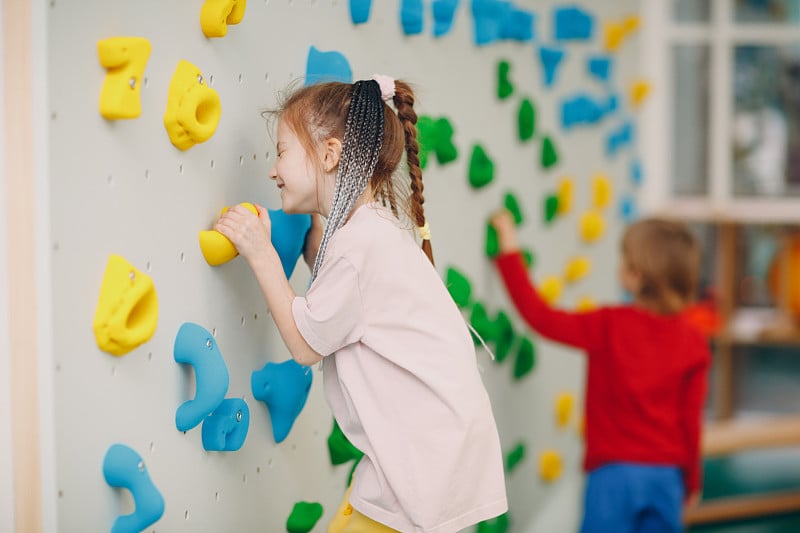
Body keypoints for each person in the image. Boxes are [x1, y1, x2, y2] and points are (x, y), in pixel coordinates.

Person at [215, 75, 507, 533]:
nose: (273, 170)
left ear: (330, 155)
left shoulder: (357, 249)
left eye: (281, 152)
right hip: (435, 457)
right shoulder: (370, 232)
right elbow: (343, 300)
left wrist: (260, 252)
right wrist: (312, 237)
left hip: (416, 471)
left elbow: (306, 344)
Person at [490, 211, 711, 533]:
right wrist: (692, 482)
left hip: (612, 477)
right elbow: (691, 422)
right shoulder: (694, 343)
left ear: (635, 275)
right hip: (666, 476)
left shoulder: (608, 325)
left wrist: (508, 244)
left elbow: (540, 317)